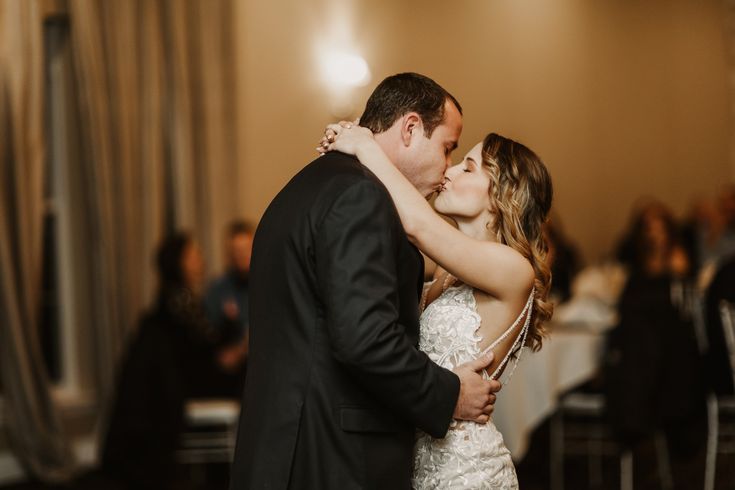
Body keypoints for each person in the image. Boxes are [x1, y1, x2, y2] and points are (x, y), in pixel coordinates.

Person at [228, 73, 500, 490]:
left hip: (284, 445)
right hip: (331, 457)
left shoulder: (311, 184)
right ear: (410, 128)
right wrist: (450, 396)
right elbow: (366, 339)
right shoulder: (361, 197)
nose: (447, 169)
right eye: (448, 149)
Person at [320, 124, 553, 488]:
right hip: (419, 461)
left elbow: (416, 224)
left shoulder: (513, 269)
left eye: (469, 167)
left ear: (502, 194)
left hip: (467, 471)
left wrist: (366, 146)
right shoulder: (444, 267)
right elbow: (388, 229)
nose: (450, 170)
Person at [102, 232, 220, 490]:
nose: (201, 260)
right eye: (193, 255)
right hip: (171, 392)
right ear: (178, 263)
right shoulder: (179, 304)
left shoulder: (176, 302)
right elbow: (198, 356)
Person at [205, 220, 254, 393]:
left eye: (246, 249)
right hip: (230, 375)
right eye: (236, 251)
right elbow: (209, 337)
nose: (241, 256)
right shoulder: (219, 289)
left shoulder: (267, 285)